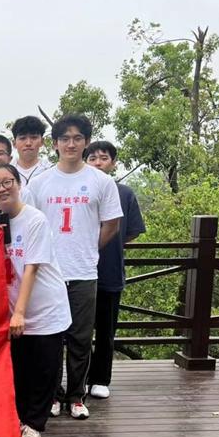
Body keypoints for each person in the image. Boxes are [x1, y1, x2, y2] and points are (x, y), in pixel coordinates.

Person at [28, 115, 123, 420]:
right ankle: (54, 395)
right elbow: (30, 224)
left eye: (77, 138)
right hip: (48, 273)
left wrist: (90, 248)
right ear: (55, 143)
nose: (71, 144)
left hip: (84, 272)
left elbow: (112, 223)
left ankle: (76, 395)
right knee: (51, 338)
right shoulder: (39, 182)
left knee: (81, 338)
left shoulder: (101, 181)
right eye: (65, 138)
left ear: (86, 142)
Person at [0, 163, 71, 437]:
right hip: (13, 311)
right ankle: (19, 421)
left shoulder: (35, 219)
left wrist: (20, 312)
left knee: (44, 371)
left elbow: (31, 268)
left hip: (44, 309)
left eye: (7, 182)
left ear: (18, 184)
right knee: (19, 371)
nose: (2, 189)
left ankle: (34, 426)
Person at [84, 141, 147, 399]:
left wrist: (111, 243)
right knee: (78, 332)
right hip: (78, 272)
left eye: (104, 158)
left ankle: (100, 379)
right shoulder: (77, 192)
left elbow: (131, 231)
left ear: (114, 163)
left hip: (109, 271)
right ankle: (80, 378)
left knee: (106, 331)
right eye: (92, 158)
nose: (98, 163)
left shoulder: (124, 193)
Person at [10, 116, 53, 185]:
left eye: (34, 138)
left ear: (42, 141)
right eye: (22, 138)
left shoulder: (51, 170)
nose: (28, 143)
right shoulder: (6, 171)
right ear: (14, 143)